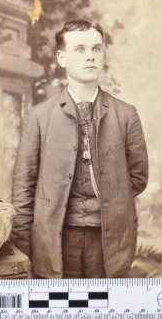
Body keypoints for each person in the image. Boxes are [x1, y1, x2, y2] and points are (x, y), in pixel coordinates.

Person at [11, 20, 148, 278]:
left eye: (96, 49)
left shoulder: (125, 114)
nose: (90, 56)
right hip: (54, 239)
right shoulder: (39, 117)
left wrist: (111, 200)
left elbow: (138, 178)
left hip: (109, 240)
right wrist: (24, 244)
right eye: (80, 49)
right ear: (62, 58)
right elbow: (23, 188)